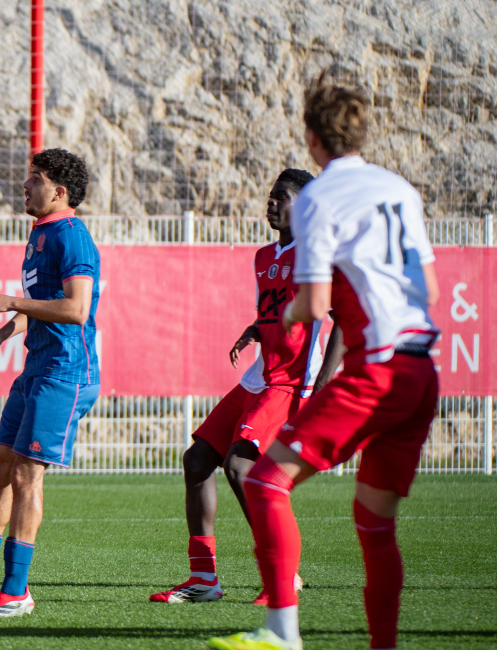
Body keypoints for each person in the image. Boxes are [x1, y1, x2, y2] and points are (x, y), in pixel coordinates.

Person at [209, 76, 440, 650]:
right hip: (420, 371)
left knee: (264, 478)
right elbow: (428, 286)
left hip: (375, 370)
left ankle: (282, 630)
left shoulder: (317, 201)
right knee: (375, 525)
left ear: (311, 136)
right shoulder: (399, 190)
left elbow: (313, 305)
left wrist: (281, 320)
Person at [150, 169, 345, 606]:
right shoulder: (263, 256)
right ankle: (204, 579)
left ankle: (284, 575)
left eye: (282, 197)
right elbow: (278, 311)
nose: (271, 203)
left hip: (292, 382)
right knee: (198, 460)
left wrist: (325, 383)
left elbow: (343, 322)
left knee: (242, 469)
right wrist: (256, 328)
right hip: (259, 376)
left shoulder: (318, 255)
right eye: (271, 195)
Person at [0, 148, 100, 619]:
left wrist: (8, 301)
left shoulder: (72, 237)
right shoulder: (41, 235)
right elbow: (41, 305)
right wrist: (0, 333)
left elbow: (76, 309)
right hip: (37, 367)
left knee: (25, 474)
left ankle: (16, 591)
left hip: (65, 372)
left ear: (60, 192)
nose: (25, 185)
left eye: (35, 179)